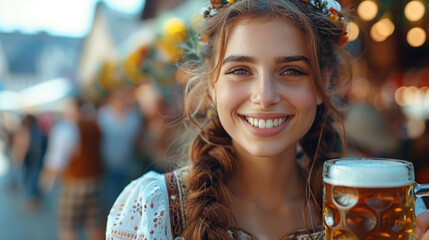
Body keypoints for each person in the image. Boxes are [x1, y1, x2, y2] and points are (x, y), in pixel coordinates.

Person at [106, 0, 429, 239]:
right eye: (240, 70)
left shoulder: (376, 211)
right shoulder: (152, 211)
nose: (265, 95)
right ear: (213, 84)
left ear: (323, 82)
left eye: (291, 71)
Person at [40, 98, 104, 240]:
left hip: (73, 182)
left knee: (68, 226)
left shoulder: (66, 128)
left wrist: (46, 181)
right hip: (95, 180)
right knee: (94, 224)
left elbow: (56, 161)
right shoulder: (95, 125)